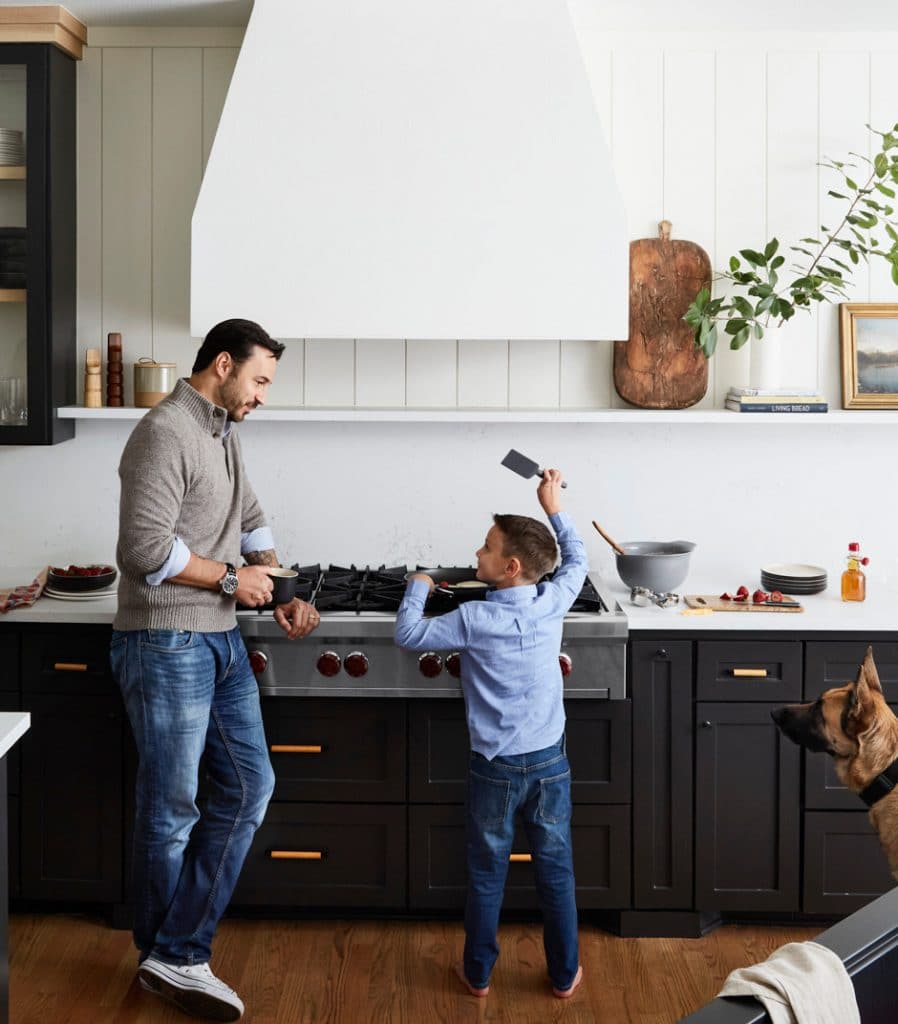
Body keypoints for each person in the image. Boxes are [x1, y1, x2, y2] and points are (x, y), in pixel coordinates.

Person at [111, 318, 321, 1022]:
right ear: (224, 365)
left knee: (249, 785)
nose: (263, 395)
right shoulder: (165, 431)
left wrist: (281, 591)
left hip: (220, 639)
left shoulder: (221, 433)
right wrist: (235, 580)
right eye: (259, 380)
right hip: (166, 640)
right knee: (171, 810)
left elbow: (251, 517)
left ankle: (174, 951)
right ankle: (168, 953)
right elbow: (145, 550)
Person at [394, 469, 585, 999]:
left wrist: (418, 586)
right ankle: (565, 975)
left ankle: (477, 975)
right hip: (550, 764)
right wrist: (553, 506)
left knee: (485, 871)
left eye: (486, 548)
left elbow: (408, 634)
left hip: (494, 768)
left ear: (509, 567)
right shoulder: (553, 601)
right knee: (556, 869)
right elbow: (578, 561)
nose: (477, 554)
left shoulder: (474, 617)